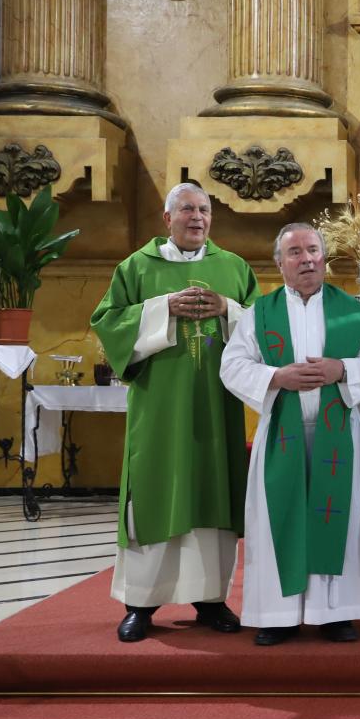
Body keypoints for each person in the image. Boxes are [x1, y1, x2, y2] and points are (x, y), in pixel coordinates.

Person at [91, 182, 259, 643]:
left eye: (204, 210)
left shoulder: (234, 267)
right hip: (159, 408)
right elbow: (108, 323)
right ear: (167, 218)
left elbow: (263, 327)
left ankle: (210, 599)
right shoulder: (137, 267)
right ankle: (140, 604)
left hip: (214, 406)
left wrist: (229, 310)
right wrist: (162, 308)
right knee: (155, 490)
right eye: (187, 209)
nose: (197, 218)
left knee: (211, 491)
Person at [220, 224, 360, 644]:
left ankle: (335, 613)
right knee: (282, 518)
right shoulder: (260, 314)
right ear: (279, 264)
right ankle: (277, 614)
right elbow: (232, 366)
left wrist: (342, 369)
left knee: (339, 517)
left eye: (313, 250)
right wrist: (276, 376)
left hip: (339, 436)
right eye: (295, 252)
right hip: (283, 433)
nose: (307, 259)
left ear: (324, 257)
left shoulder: (351, 310)